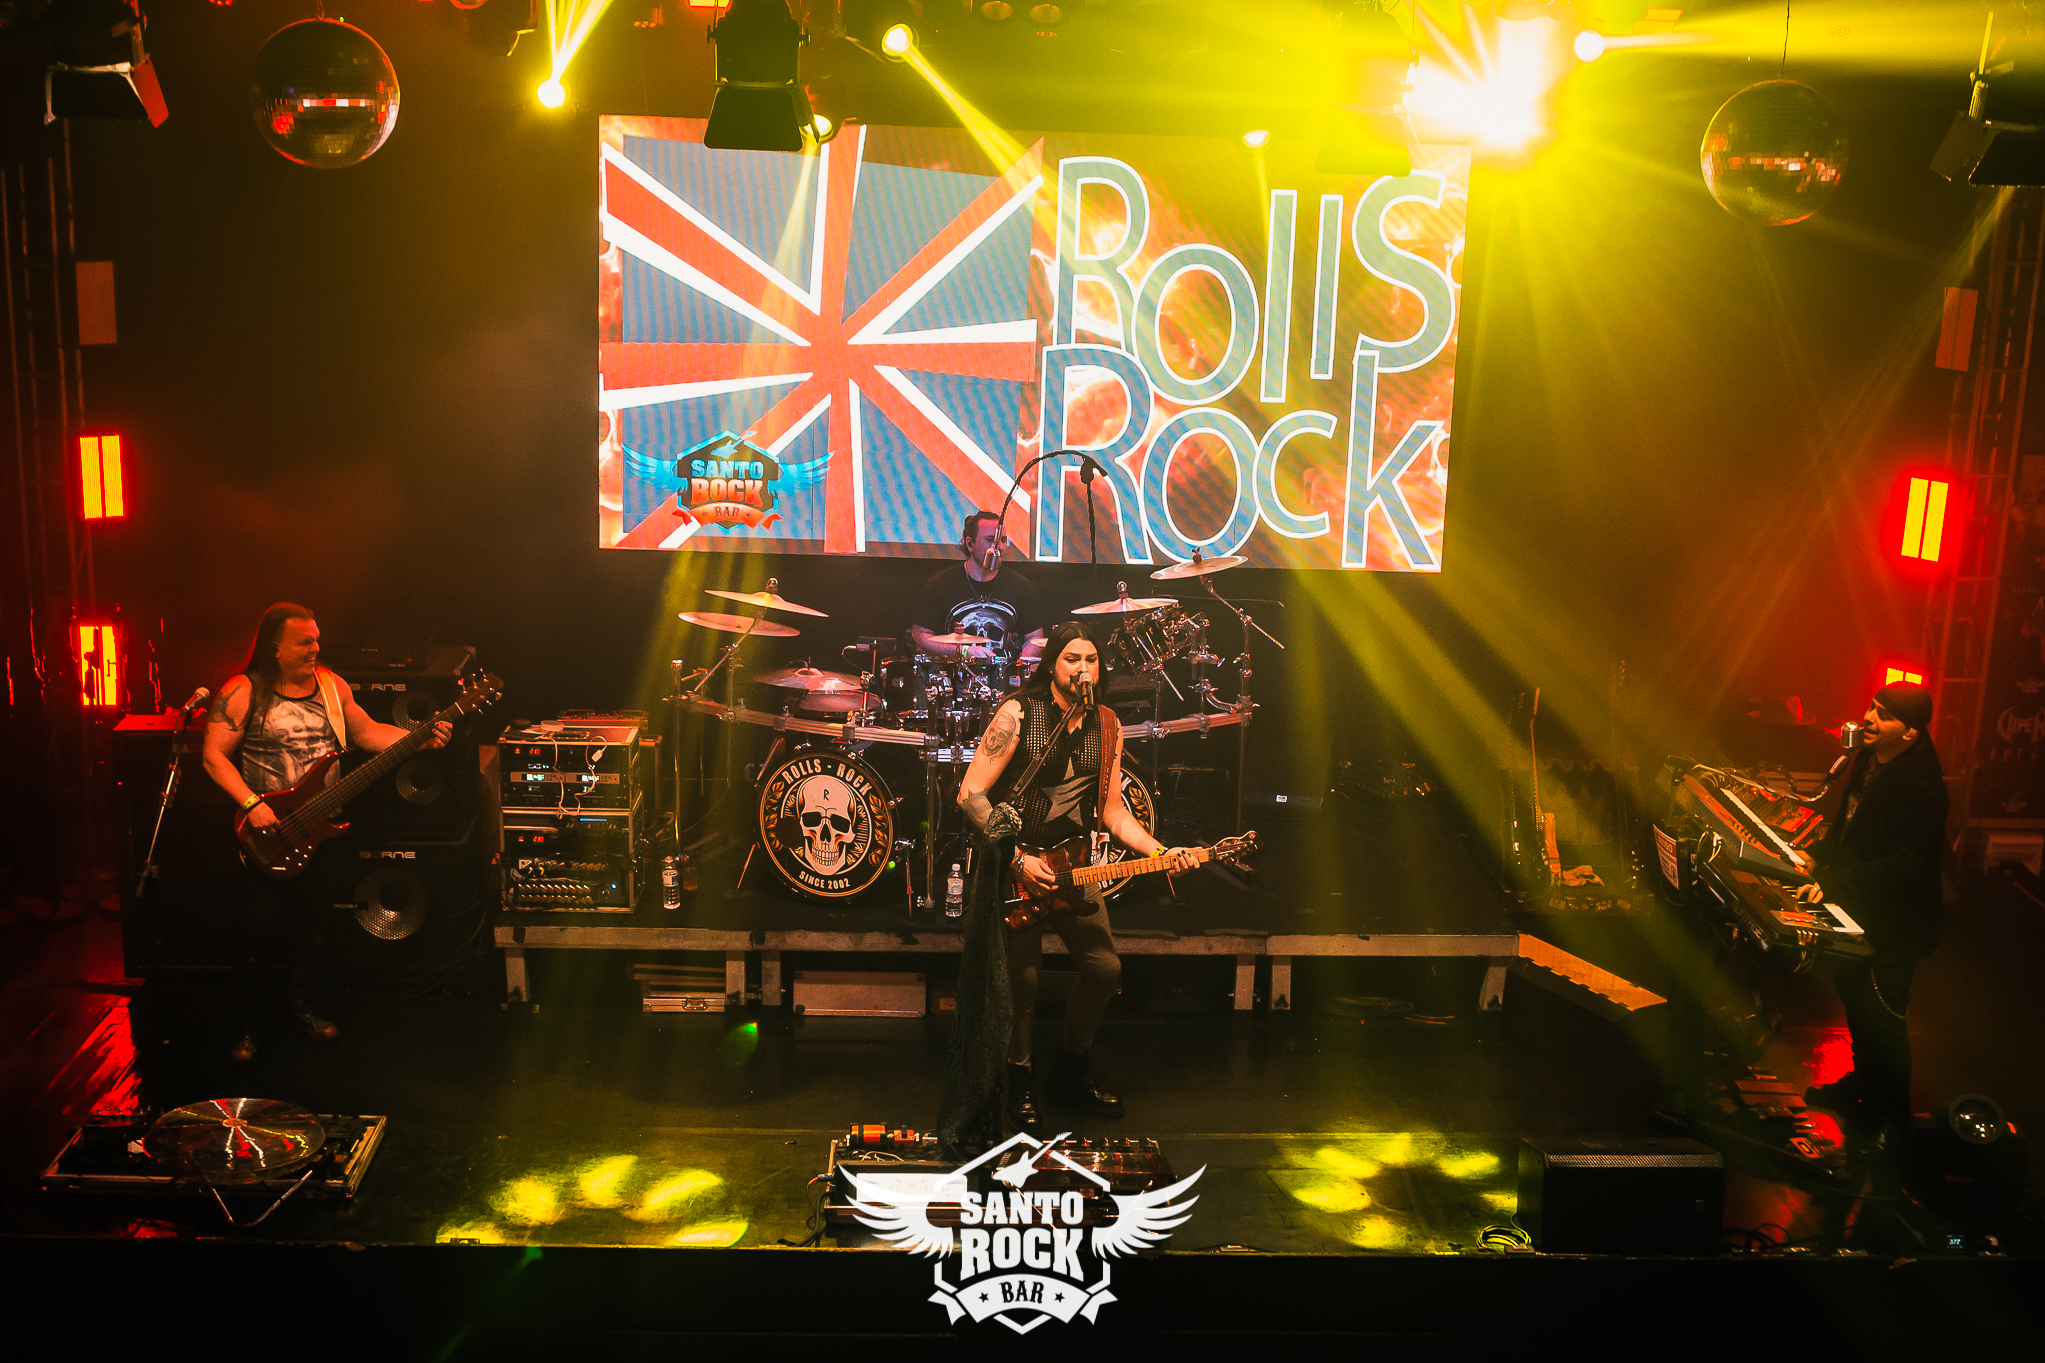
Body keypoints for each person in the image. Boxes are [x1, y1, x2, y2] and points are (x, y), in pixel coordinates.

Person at [954, 621, 1196, 1129]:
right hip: (1017, 865)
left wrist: (1161, 851)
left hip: (1074, 865)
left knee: (1104, 970)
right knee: (1022, 981)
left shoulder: (1107, 724)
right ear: (1052, 666)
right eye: (1071, 659)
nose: (1082, 669)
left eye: (1090, 659)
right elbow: (970, 795)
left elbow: (1113, 812)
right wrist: (1016, 858)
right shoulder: (1019, 713)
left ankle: (1071, 1067)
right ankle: (1019, 1077)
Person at [201, 602, 449, 1064]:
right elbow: (213, 756)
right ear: (275, 647)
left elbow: (367, 733)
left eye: (317, 639)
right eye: (304, 641)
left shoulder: (333, 686)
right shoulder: (242, 690)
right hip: (268, 832)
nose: (316, 648)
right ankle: (250, 1024)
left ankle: (305, 1009)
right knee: (256, 930)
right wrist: (252, 804)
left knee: (314, 925)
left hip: (322, 831)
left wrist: (421, 737)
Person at [1795, 682, 1948, 1153]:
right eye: (1871, 707)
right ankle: (1862, 1085)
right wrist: (1819, 855)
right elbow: (1849, 826)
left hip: (1895, 927)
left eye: (1883, 714)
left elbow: (1906, 864)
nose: (1868, 717)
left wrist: (1834, 885)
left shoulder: (1923, 786)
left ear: (1910, 732)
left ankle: (1893, 1118)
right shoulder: (1869, 758)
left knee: (1883, 1019)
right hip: (1858, 911)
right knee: (1857, 1004)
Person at [911, 510, 1047, 662]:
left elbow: (1035, 638)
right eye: (990, 540)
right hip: (956, 673)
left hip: (1003, 673)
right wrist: (963, 651)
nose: (999, 547)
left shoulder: (1020, 585)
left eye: (1003, 540)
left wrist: (1020, 665)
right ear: (970, 544)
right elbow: (920, 637)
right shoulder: (941, 583)